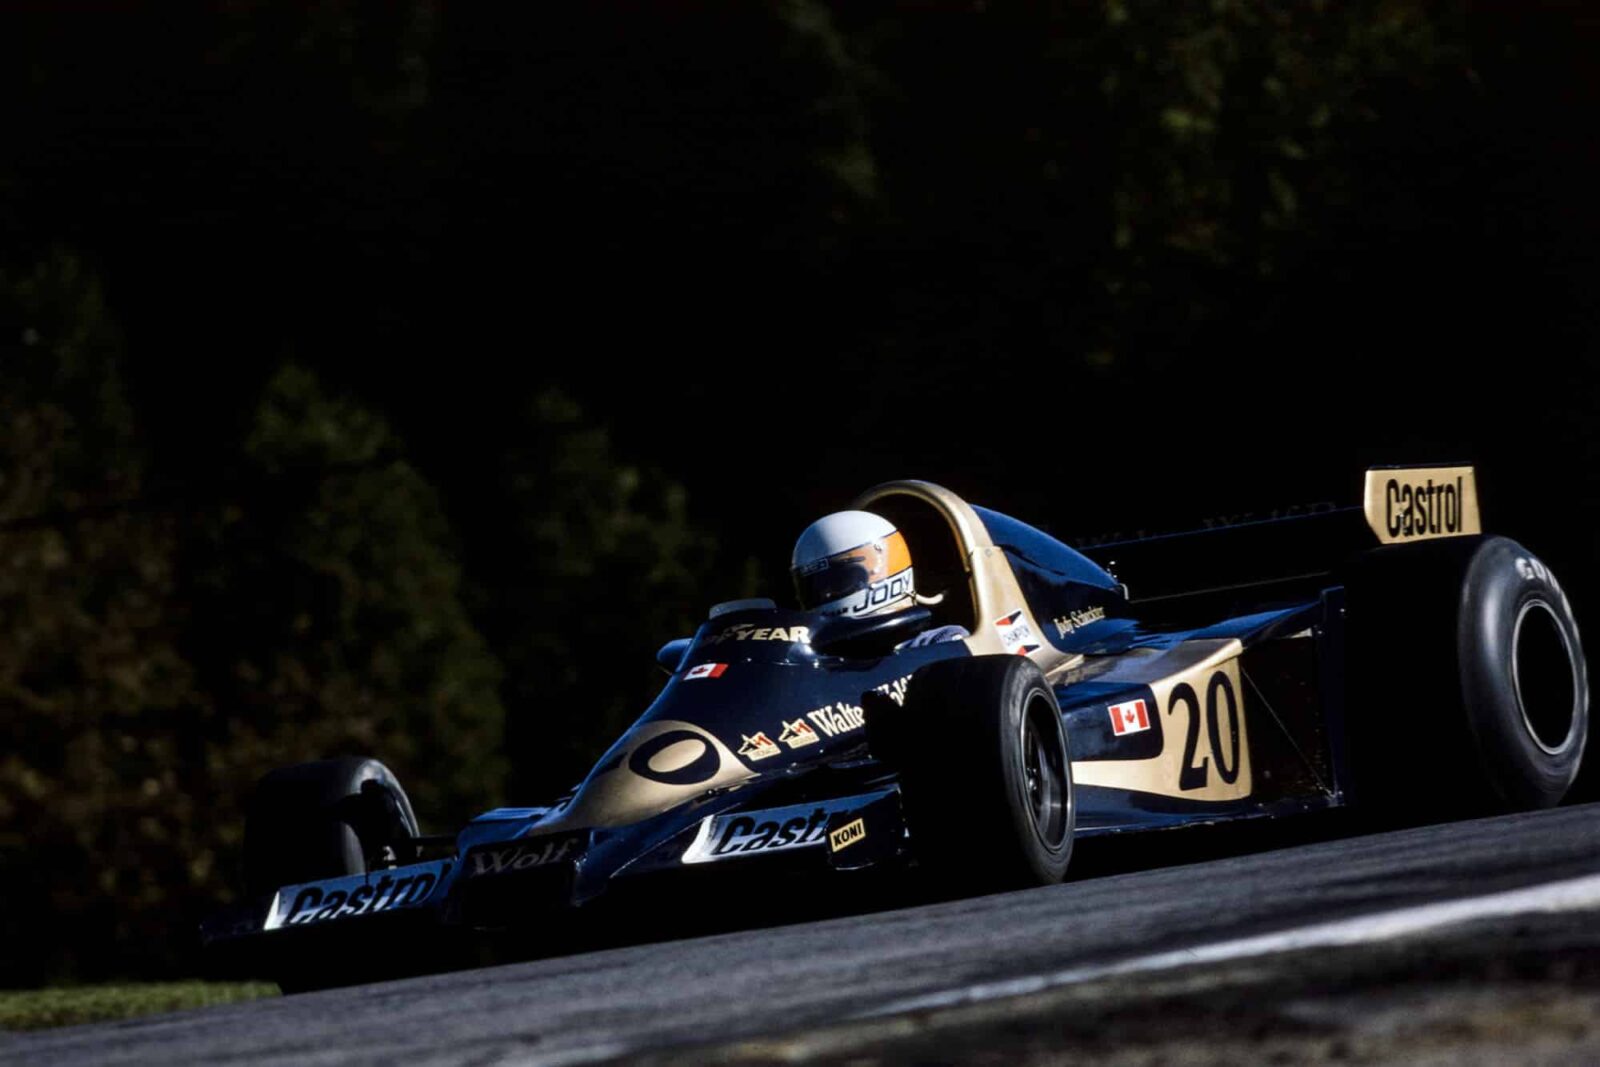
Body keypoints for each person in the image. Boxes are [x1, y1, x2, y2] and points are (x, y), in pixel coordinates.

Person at [790, 511, 969, 648]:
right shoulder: (811, 659)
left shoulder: (939, 643)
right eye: (816, 586)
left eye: (837, 581)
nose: (826, 593)